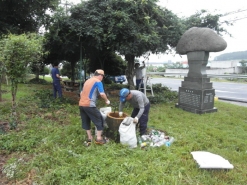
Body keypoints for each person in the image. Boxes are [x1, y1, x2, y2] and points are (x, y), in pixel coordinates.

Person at [79, 69, 110, 145]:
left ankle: (90, 138)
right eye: (102, 76)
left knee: (86, 121)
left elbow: (81, 93)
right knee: (100, 119)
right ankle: (99, 138)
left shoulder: (87, 81)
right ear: (100, 76)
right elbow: (102, 94)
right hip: (89, 105)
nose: (102, 78)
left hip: (81, 104)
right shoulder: (98, 81)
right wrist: (107, 100)